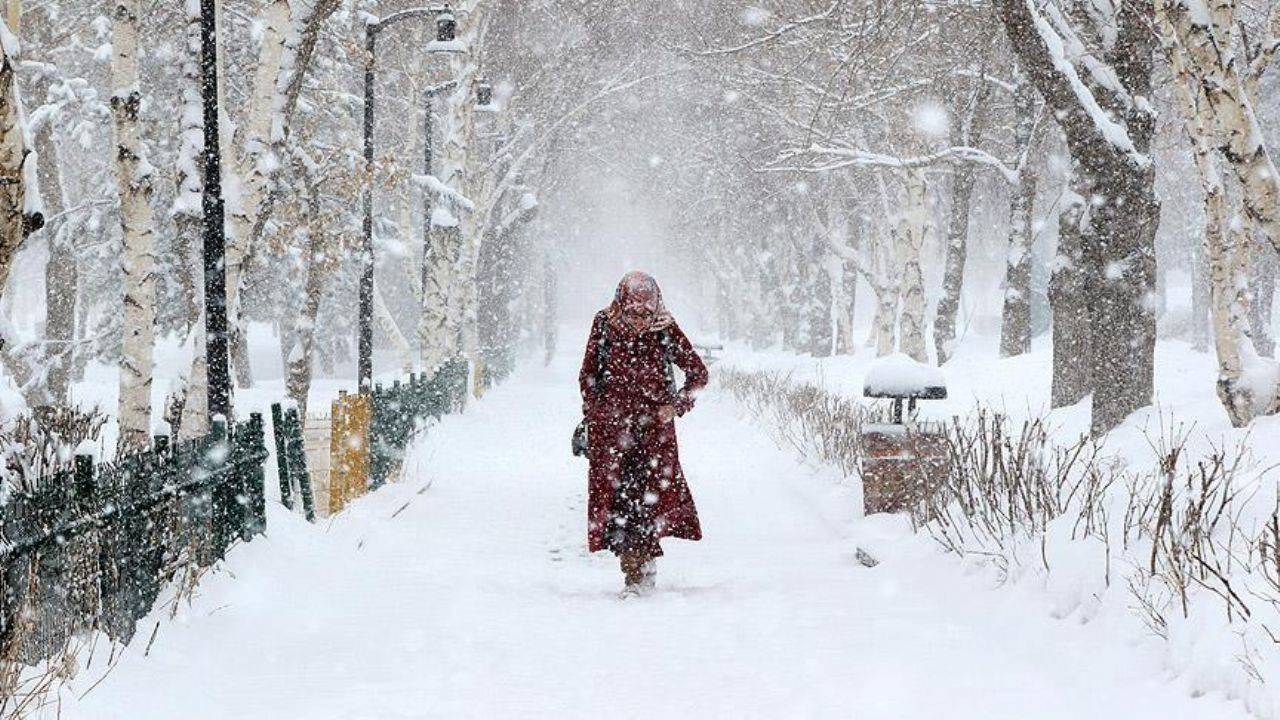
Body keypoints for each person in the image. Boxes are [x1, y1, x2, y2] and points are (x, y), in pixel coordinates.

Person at [578, 271, 709, 596]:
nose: (639, 319)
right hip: (612, 435)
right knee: (619, 504)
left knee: (647, 503)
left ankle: (641, 570)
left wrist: (675, 406)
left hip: (654, 437)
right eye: (633, 312)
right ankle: (633, 569)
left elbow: (698, 375)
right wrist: (597, 413)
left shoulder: (665, 328)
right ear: (621, 303)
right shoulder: (604, 324)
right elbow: (588, 375)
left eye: (645, 312)